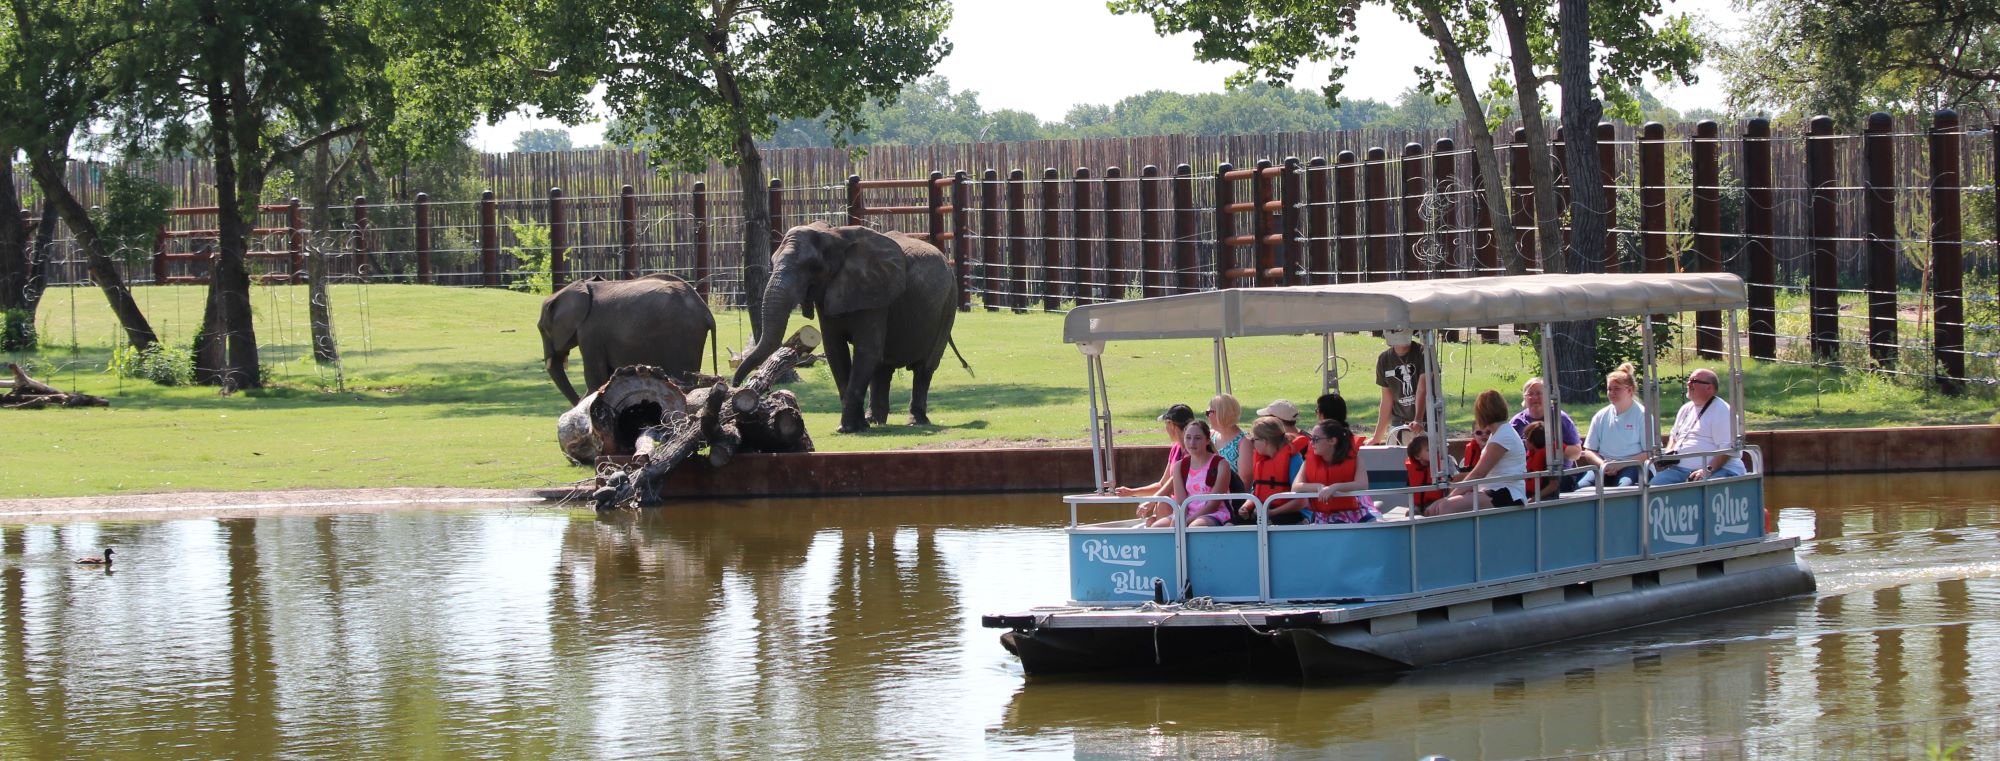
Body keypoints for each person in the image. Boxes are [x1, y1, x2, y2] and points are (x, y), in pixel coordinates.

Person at [1428, 390, 1528, 515]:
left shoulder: (1504, 436)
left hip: (1507, 493)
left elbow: (1479, 473)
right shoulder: (1498, 433)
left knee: (1446, 507)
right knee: (1441, 506)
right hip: (1493, 490)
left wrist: (1448, 498)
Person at [1650, 368, 1744, 485]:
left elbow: (1727, 450)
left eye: (1694, 381)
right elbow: (1674, 437)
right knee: (1653, 487)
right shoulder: (1686, 409)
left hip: (1719, 469)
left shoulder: (1722, 410)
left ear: (1709, 387)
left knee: (1702, 486)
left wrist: (1708, 470)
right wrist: (1669, 455)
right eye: (1689, 380)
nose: (1689, 384)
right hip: (1680, 470)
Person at [1145, 419, 1234, 527]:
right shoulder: (1180, 466)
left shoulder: (1221, 464)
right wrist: (1179, 518)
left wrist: (1187, 521)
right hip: (1187, 513)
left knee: (1195, 527)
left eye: (1197, 438)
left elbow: (1213, 504)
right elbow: (1181, 503)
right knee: (1157, 528)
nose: (1192, 443)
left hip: (1213, 513)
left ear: (1207, 440)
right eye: (1188, 438)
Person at [1576, 362, 1649, 488]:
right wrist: (1603, 464)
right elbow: (1589, 451)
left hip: (1633, 467)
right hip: (1604, 466)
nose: (1612, 393)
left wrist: (1621, 464)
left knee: (1623, 488)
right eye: (1610, 389)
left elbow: (1648, 453)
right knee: (1582, 487)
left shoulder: (1643, 415)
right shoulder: (1601, 415)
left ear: (1629, 390)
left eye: (1617, 389)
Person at [1293, 419, 1377, 524]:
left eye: (1316, 439)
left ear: (1332, 441)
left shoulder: (1355, 459)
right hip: (1325, 516)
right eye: (1311, 439)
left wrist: (1335, 487)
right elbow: (1296, 486)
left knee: (1372, 522)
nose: (1311, 443)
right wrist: (1319, 487)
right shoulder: (1308, 462)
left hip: (1356, 513)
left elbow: (1362, 485)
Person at [1112, 404, 1195, 505]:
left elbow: (1171, 485)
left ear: (1171, 425)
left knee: (1161, 505)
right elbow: (1162, 484)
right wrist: (1131, 492)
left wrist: (1151, 502)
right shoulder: (1176, 449)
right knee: (1158, 510)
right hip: (1175, 506)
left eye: (1166, 424)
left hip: (1190, 506)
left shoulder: (1193, 452)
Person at [1238, 416, 1312, 525]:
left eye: (1254, 439)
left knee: (1269, 523)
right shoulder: (1262, 460)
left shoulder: (1293, 460)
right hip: (1267, 510)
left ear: (1265, 441)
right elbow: (1258, 490)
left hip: (1293, 514)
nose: (1252, 444)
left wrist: (1271, 512)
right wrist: (1246, 506)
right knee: (1231, 523)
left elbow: (1301, 501)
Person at [1511, 377, 1581, 489]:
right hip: (1527, 476)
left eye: (1539, 393)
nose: (1534, 398)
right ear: (1524, 398)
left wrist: (1553, 448)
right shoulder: (1517, 422)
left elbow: (1577, 453)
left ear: (1548, 396)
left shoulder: (1560, 418)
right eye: (1530, 394)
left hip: (1559, 475)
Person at [1370, 329, 1428, 445]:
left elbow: (1423, 389)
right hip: (1399, 425)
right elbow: (1387, 400)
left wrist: (1418, 419)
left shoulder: (1423, 353)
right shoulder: (1384, 359)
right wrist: (1377, 437)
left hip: (1425, 425)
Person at [1207, 393, 1252, 485]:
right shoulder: (1210, 436)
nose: (1207, 416)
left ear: (1221, 413)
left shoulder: (1244, 442)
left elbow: (1244, 482)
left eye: (1208, 413)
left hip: (1233, 497)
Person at [1522, 421, 1563, 501]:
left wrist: (1533, 499)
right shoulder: (1532, 454)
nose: (1525, 441)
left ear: (1531, 441)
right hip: (1530, 496)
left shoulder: (1549, 457)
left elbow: (1553, 485)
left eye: (1526, 438)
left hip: (1547, 499)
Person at [1404, 436, 1444, 512]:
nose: (1434, 452)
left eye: (1434, 449)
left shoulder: (1442, 465)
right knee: (1410, 512)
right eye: (1428, 450)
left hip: (1436, 502)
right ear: (1417, 456)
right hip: (1418, 505)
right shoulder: (1414, 469)